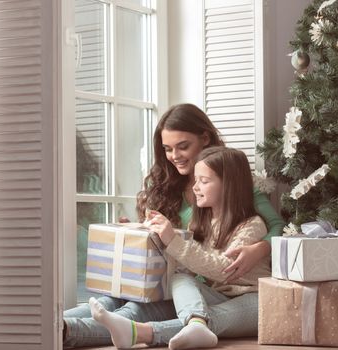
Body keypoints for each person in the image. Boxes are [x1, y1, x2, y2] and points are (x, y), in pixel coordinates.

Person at [63, 103, 285, 348]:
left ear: (204, 138)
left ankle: (71, 331)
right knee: (116, 300)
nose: (174, 156)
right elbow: (176, 248)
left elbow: (277, 228)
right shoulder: (172, 190)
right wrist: (138, 233)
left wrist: (260, 249)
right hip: (182, 282)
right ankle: (57, 325)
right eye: (167, 149)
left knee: (140, 310)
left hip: (212, 287)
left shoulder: (239, 194)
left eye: (183, 146)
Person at [87, 146, 271, 349]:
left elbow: (224, 270)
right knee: (181, 278)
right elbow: (187, 267)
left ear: (229, 186)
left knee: (213, 318)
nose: (195, 187)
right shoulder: (202, 222)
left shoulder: (252, 225)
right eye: (196, 180)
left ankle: (139, 332)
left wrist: (172, 240)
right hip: (218, 295)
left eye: (204, 181)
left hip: (254, 299)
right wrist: (154, 237)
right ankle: (195, 323)